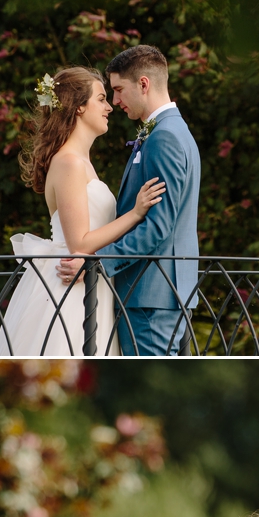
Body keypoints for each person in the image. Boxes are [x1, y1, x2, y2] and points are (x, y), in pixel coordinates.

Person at [0, 66, 164, 356]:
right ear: (79, 107)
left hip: (91, 281)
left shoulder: (82, 162)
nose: (109, 107)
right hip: (69, 288)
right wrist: (135, 213)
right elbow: (80, 243)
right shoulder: (68, 162)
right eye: (101, 99)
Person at [58, 45, 200, 356]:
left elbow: (157, 227)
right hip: (161, 291)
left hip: (151, 293)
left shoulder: (164, 137)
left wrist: (98, 265)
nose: (116, 101)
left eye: (119, 90)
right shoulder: (172, 131)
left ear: (144, 84)